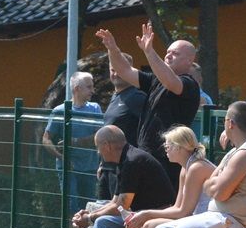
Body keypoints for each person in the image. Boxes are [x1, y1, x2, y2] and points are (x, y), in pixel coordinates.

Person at [69, 125, 174, 228]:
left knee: (103, 224)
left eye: (98, 147)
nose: (98, 152)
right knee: (102, 222)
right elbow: (116, 202)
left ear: (107, 146)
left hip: (156, 218)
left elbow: (122, 206)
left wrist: (90, 219)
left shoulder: (132, 161)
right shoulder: (125, 159)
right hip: (140, 216)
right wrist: (89, 215)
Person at [96, 25, 200, 192]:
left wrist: (149, 51)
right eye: (168, 51)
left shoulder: (189, 84)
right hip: (146, 154)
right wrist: (113, 49)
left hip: (169, 158)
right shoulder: (155, 80)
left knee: (161, 204)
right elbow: (124, 70)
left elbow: (170, 81)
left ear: (189, 60)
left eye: (175, 53)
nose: (169, 55)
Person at [43, 71, 102, 214]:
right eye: (89, 87)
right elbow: (46, 139)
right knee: (71, 208)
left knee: (89, 208)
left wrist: (74, 141)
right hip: (68, 168)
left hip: (89, 166)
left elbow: (100, 136)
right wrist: (61, 157)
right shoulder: (60, 111)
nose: (92, 91)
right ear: (77, 89)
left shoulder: (95, 108)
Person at [98, 59, 146, 200]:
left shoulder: (137, 97)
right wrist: (102, 163)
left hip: (125, 168)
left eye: (119, 69)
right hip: (108, 168)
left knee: (117, 212)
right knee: (100, 210)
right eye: (112, 70)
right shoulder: (115, 96)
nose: (115, 73)